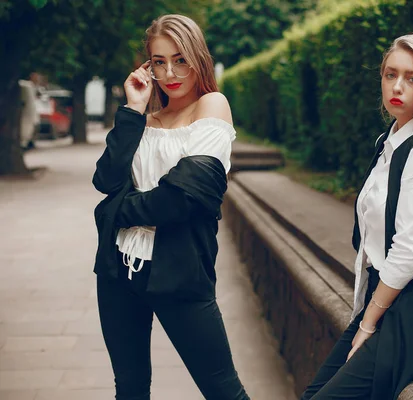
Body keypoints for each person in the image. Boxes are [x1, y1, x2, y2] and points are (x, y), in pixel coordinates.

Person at [301, 33, 413, 400]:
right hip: (385, 300)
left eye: (412, 79)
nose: (397, 87)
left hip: (411, 312)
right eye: (390, 75)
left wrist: (367, 323)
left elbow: (410, 253)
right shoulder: (391, 141)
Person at [92, 14, 250, 400]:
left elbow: (181, 199)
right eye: (158, 62)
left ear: (198, 58)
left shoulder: (211, 106)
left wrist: (113, 212)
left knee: (223, 390)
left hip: (180, 272)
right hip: (117, 271)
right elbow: (106, 180)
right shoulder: (145, 120)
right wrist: (132, 109)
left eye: (180, 59)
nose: (170, 71)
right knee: (129, 389)